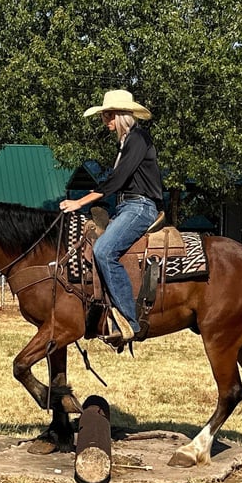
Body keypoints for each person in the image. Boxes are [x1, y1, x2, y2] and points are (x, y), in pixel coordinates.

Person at [59, 89, 163, 342]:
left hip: (140, 207)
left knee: (104, 250)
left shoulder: (138, 138)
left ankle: (129, 321)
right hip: (126, 206)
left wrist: (80, 201)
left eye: (109, 115)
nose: (106, 120)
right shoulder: (127, 142)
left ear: (122, 115)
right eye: (105, 115)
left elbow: (117, 180)